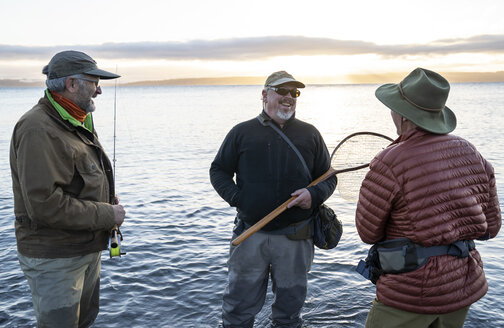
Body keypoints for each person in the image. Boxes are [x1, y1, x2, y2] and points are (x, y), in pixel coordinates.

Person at [355, 68, 501, 328]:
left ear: (402, 115)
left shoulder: (389, 162)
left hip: (409, 293)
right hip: (461, 287)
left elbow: (368, 233)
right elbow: (491, 228)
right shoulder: (472, 152)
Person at [210, 71, 337, 328]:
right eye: (282, 91)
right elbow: (218, 171)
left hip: (296, 237)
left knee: (289, 312)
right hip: (250, 234)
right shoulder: (241, 132)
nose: (289, 97)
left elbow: (329, 178)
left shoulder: (310, 133)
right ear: (264, 94)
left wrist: (313, 195)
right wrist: (237, 198)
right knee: (237, 310)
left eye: (295, 93)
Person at [10, 50, 126, 328]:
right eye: (94, 82)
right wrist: (108, 214)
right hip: (56, 258)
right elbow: (45, 205)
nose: (99, 90)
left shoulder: (77, 118)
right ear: (72, 85)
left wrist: (103, 196)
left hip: (84, 248)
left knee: (84, 321)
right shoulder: (37, 128)